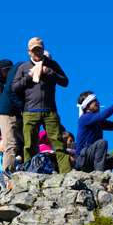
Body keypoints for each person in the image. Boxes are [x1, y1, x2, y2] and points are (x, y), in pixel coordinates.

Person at [10, 38, 71, 173]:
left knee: (58, 143)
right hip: (30, 112)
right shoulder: (24, 67)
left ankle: (66, 173)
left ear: (43, 49)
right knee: (30, 145)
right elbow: (14, 87)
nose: (37, 52)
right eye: (34, 50)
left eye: (39, 49)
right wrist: (28, 76)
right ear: (29, 52)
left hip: (50, 111)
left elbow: (65, 81)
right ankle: (30, 173)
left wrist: (49, 72)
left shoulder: (52, 64)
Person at [74, 92, 113, 172]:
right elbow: (102, 116)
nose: (98, 103)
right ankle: (99, 175)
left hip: (94, 158)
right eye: (95, 101)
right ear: (88, 105)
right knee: (102, 143)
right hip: (83, 158)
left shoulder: (96, 121)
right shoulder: (85, 117)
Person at [0, 59, 26, 176]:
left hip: (17, 113)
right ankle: (7, 177)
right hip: (7, 112)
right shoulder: (18, 67)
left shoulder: (22, 68)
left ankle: (32, 167)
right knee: (10, 145)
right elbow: (9, 89)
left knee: (30, 140)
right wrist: (22, 107)